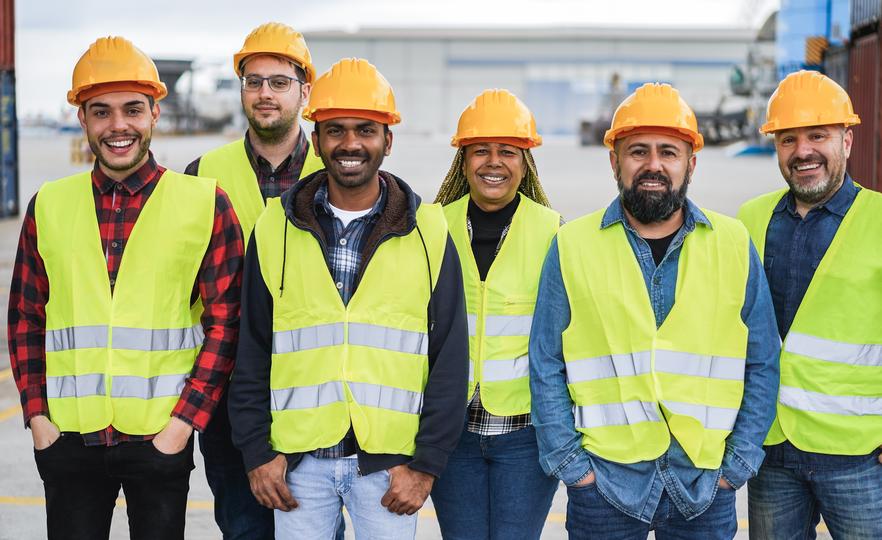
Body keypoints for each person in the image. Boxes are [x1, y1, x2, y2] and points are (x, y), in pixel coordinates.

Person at [7, 36, 243, 539]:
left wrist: (183, 425)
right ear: (83, 120)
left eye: (132, 109)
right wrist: (38, 420)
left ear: (155, 113)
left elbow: (226, 321)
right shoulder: (49, 204)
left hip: (160, 438)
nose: (118, 126)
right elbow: (26, 317)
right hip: (69, 440)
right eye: (102, 112)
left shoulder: (204, 202)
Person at [228, 57, 468, 539]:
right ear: (316, 141)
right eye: (335, 130)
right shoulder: (274, 227)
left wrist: (424, 467)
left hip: (389, 471)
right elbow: (251, 350)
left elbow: (450, 360)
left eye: (366, 130)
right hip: (298, 468)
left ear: (388, 140)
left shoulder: (429, 232)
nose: (351, 143)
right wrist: (258, 453)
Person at [529, 82, 780, 539]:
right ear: (614, 161)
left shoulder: (733, 243)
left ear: (691, 163)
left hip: (704, 485)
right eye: (637, 151)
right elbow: (545, 362)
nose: (653, 165)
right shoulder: (572, 245)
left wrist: (737, 465)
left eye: (669, 151)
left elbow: (763, 361)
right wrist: (572, 467)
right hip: (605, 483)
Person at [184, 22, 323, 539]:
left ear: (305, 92)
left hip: (317, 391)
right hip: (228, 394)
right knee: (243, 529)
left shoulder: (339, 172)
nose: (265, 93)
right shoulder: (200, 176)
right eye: (254, 81)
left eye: (280, 82)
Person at [738, 70, 882, 539]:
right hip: (772, 450)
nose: (803, 151)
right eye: (788, 139)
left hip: (858, 454)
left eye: (817, 135)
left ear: (847, 140)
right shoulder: (750, 220)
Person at [430, 88, 560, 539]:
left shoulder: (552, 231)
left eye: (508, 151)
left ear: (525, 162)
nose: (493, 162)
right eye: (480, 150)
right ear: (462, 160)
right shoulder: (432, 227)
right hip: (452, 432)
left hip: (524, 436)